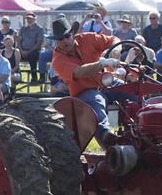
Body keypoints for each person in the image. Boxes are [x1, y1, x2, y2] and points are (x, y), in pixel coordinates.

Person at [51, 17, 119, 147]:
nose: (65, 40)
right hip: (84, 93)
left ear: (73, 34)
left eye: (67, 36)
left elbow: (113, 39)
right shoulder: (58, 60)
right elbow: (79, 72)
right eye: (60, 39)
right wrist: (100, 64)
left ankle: (147, 130)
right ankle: (107, 137)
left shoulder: (87, 38)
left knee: (133, 89)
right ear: (56, 41)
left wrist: (115, 50)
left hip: (107, 82)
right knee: (96, 100)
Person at [18, 12, 44, 82]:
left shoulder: (39, 29)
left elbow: (38, 44)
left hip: (34, 51)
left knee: (32, 56)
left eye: (30, 19)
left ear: (35, 19)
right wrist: (21, 50)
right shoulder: (23, 28)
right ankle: (17, 76)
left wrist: (28, 52)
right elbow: (19, 40)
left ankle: (34, 77)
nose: (29, 20)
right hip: (23, 50)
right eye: (27, 19)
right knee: (15, 54)